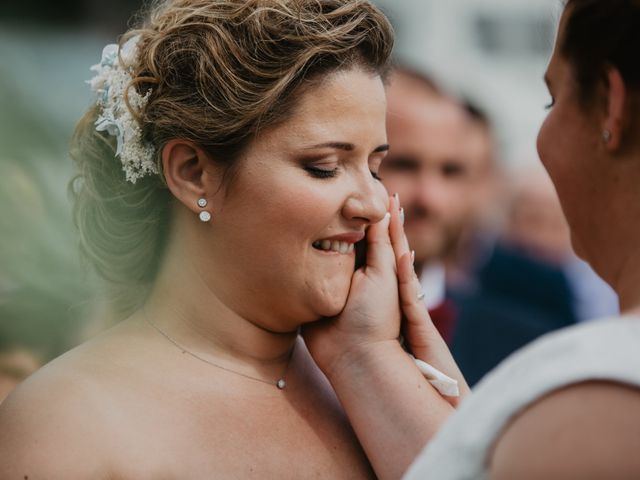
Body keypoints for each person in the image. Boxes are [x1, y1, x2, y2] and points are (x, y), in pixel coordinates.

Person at [1, 1, 458, 477]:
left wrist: (369, 358)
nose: (374, 202)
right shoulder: (66, 423)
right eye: (324, 167)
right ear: (192, 173)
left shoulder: (379, 385)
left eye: (375, 167)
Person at [311, 1, 640, 478]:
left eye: (552, 99)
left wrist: (362, 355)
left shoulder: (592, 400)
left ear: (610, 104)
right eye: (324, 167)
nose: (430, 197)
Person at [381, 68, 496, 344]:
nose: (430, 198)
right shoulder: (285, 340)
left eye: (451, 171)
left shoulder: (517, 348)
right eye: (404, 165)